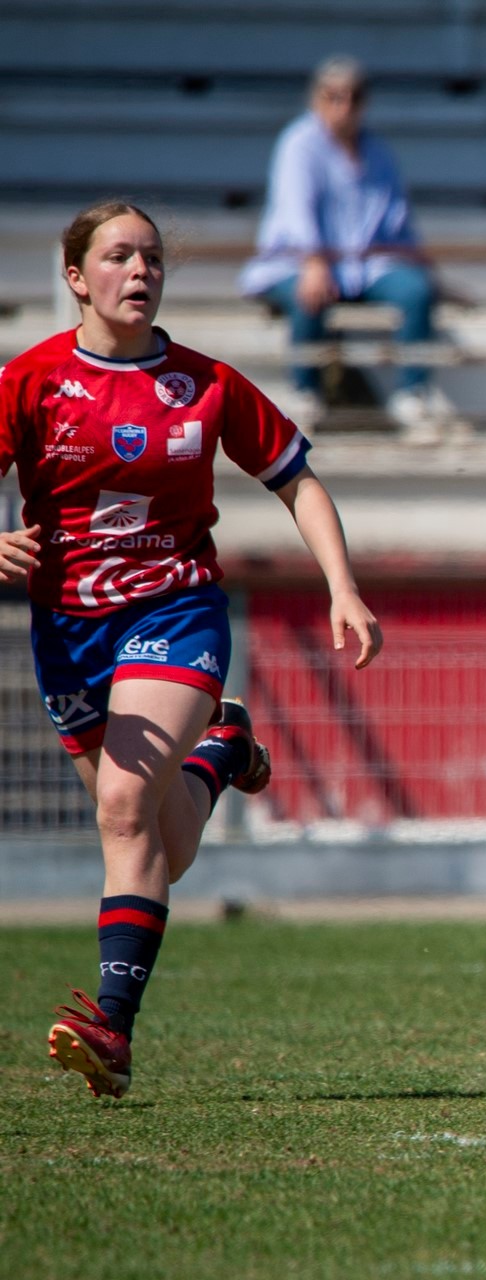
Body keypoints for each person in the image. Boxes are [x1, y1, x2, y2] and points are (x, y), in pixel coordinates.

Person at [0, 200, 383, 1099]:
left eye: (153, 258)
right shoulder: (30, 382)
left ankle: (112, 1030)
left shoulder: (204, 384)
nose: (140, 272)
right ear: (75, 276)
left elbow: (299, 481)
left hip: (176, 613)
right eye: (119, 257)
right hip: (68, 634)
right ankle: (223, 755)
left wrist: (343, 584)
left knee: (125, 808)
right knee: (158, 842)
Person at [237, 55, 446, 436]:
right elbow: (296, 210)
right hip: (296, 260)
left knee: (416, 291)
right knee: (311, 291)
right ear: (317, 99)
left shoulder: (378, 152)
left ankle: (412, 394)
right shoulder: (299, 144)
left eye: (353, 97)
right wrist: (314, 259)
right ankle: (306, 392)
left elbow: (397, 221)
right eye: (334, 96)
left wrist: (429, 273)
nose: (344, 106)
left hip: (365, 267)